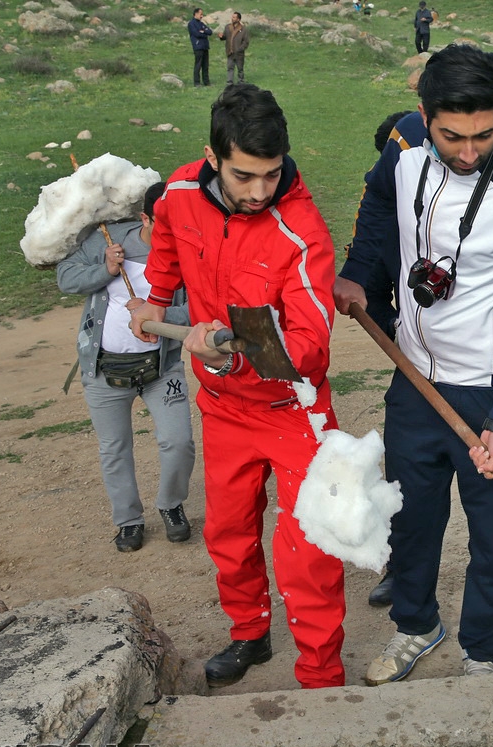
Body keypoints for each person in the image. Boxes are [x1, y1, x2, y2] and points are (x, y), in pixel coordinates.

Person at [333, 45, 493, 683]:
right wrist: (357, 272)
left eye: (484, 135)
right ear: (423, 115)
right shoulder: (404, 144)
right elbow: (380, 203)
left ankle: (482, 653)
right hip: (413, 377)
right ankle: (416, 626)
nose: (468, 152)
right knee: (411, 520)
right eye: (452, 136)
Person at [129, 84, 345, 690]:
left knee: (308, 549)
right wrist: (155, 295)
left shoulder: (301, 235)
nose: (257, 192)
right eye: (244, 176)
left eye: (271, 176)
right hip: (224, 411)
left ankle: (321, 674)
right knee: (228, 531)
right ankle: (249, 635)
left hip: (293, 412)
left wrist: (229, 357)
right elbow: (168, 240)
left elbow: (308, 351)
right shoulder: (177, 190)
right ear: (212, 158)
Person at [57, 182, 195, 555]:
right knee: (114, 448)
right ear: (144, 217)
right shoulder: (108, 238)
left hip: (162, 368)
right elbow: (65, 278)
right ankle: (128, 520)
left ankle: (170, 504)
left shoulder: (189, 252)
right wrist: (104, 269)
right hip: (103, 369)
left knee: (178, 442)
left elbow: (203, 309)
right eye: (163, 224)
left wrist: (160, 315)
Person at [218, 11, 250, 85]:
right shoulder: (228, 27)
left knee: (240, 69)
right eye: (232, 17)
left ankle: (241, 82)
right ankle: (229, 82)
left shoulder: (244, 29)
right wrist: (222, 37)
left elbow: (246, 42)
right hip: (230, 52)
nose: (232, 18)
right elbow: (225, 37)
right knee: (230, 68)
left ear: (238, 19)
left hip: (239, 53)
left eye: (234, 17)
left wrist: (240, 49)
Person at [187, 8, 212, 87]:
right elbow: (196, 34)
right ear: (196, 14)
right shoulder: (191, 24)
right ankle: (197, 82)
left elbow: (210, 32)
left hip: (205, 47)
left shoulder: (201, 24)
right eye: (201, 14)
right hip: (198, 47)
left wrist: (203, 31)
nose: (202, 16)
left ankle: (206, 82)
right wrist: (204, 33)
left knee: (205, 65)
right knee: (198, 65)